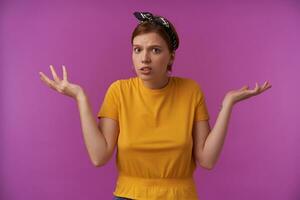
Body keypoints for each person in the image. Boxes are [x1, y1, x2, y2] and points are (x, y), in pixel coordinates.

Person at [39, 11, 272, 200]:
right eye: (137, 49)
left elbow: (207, 160)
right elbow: (99, 157)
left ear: (171, 56)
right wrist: (80, 97)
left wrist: (228, 103)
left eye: (155, 50)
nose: (144, 59)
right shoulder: (119, 91)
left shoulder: (191, 91)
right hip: (128, 196)